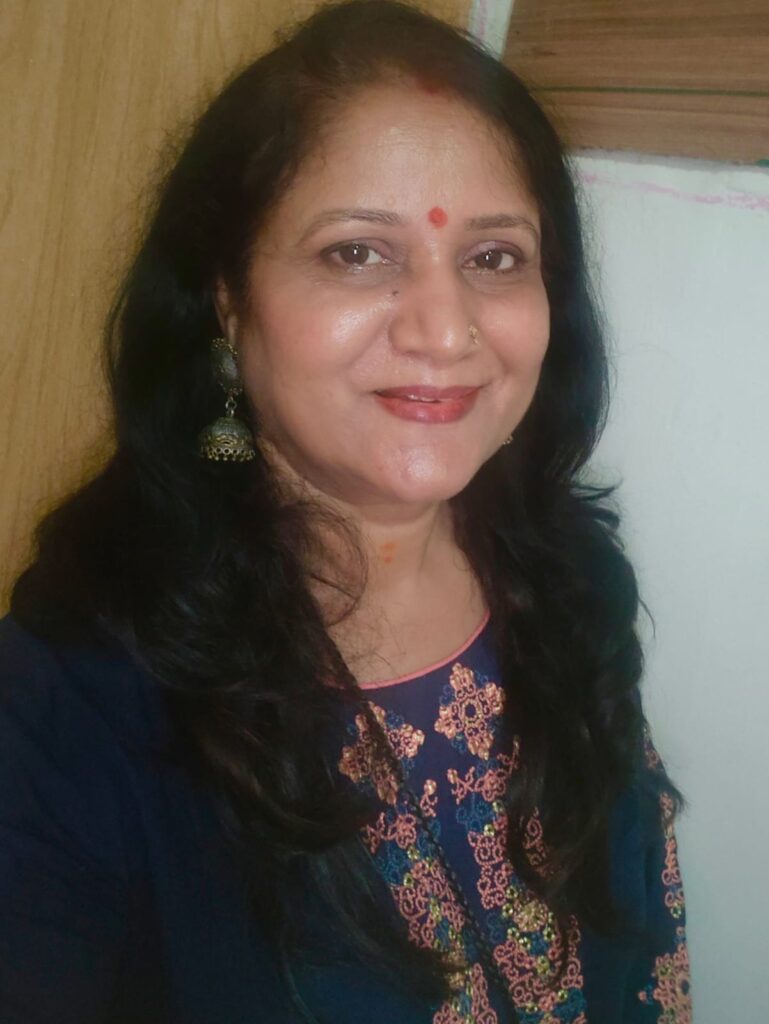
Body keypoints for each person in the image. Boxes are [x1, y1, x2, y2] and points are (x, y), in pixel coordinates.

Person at [0, 1, 692, 1021]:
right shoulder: (71, 707)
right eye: (356, 252)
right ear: (227, 299)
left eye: (494, 258)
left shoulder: (572, 578)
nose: (444, 331)